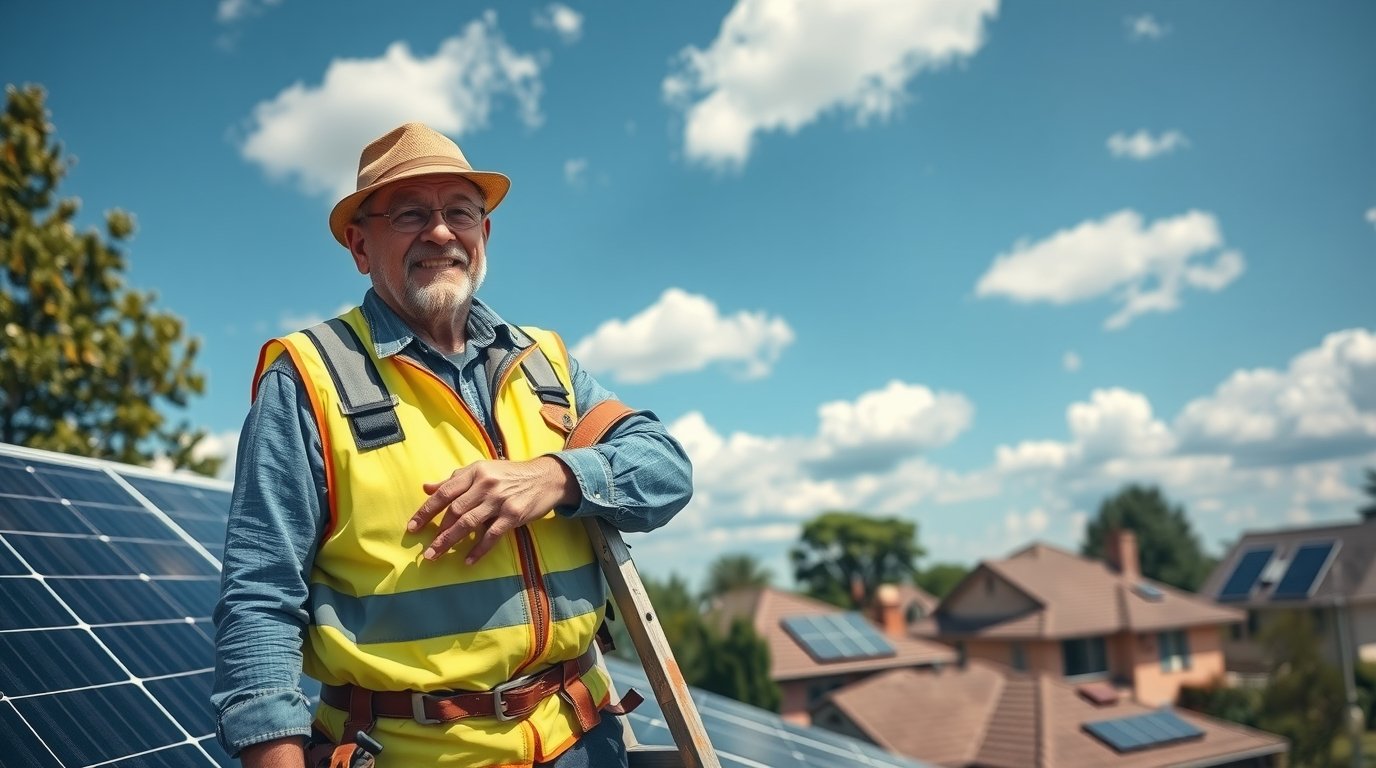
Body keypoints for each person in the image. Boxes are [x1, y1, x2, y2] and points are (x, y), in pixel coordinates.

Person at [212, 122, 693, 768]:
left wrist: (556, 476)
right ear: (360, 245)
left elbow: (666, 468)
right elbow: (259, 598)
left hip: (581, 741)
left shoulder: (545, 362)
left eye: (459, 212)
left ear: (483, 233)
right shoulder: (307, 378)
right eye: (410, 214)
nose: (440, 233)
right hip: (407, 752)